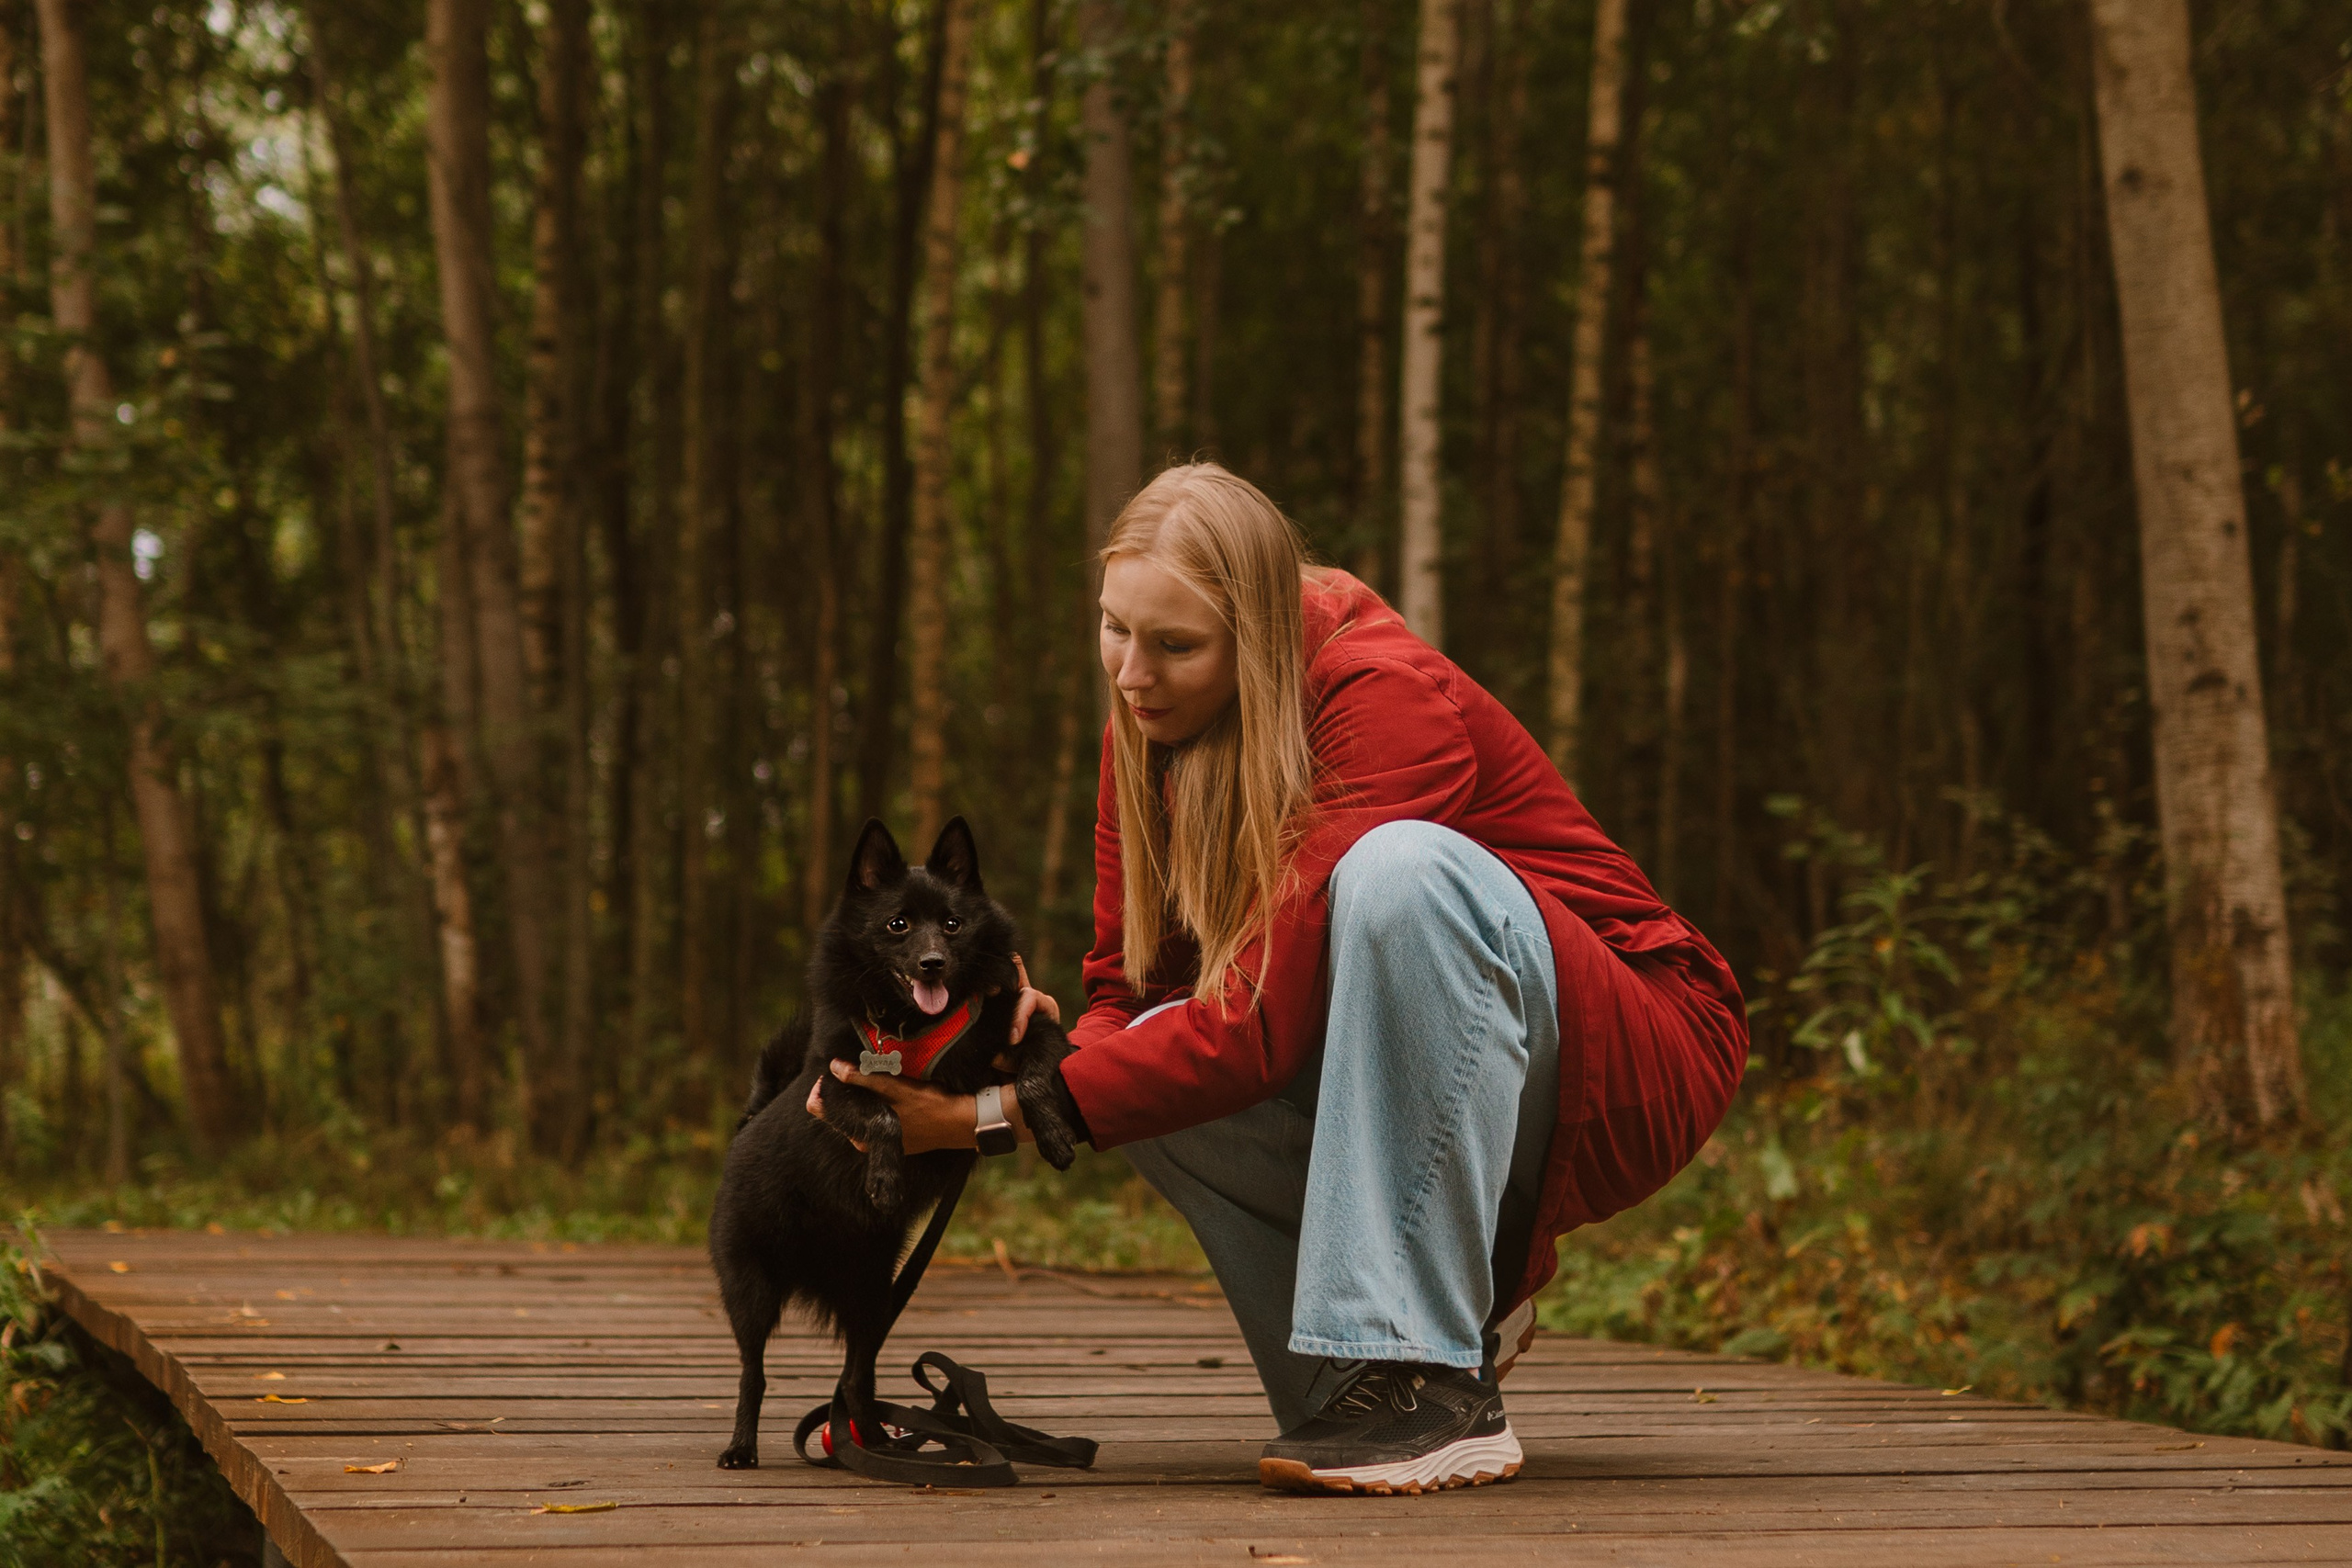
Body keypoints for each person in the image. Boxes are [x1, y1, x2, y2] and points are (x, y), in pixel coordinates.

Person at [814, 462, 1746, 1495]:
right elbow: (1127, 988)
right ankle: (1373, 1378)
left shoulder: (1387, 700)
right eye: (1114, 628)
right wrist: (1007, 1055)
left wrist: (990, 1116)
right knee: (1119, 1062)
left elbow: (1259, 1020)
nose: (1131, 675)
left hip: (1631, 1044)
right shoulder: (1151, 726)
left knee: (1399, 875)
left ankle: (1434, 1371)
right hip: (1439, 1055)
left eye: (1174, 645)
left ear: (1255, 638)